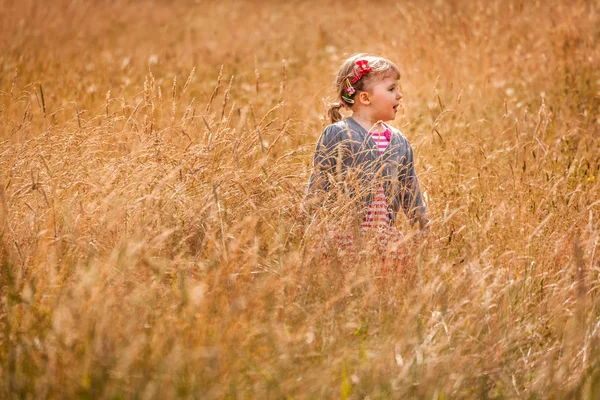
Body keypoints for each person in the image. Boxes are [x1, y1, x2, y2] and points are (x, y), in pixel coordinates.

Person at [304, 53, 428, 259]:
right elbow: (318, 186)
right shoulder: (339, 134)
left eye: (398, 88)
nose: (399, 95)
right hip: (344, 240)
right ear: (365, 97)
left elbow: (411, 192)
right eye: (391, 89)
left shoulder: (399, 142)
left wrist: (423, 231)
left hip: (384, 241)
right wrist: (306, 230)